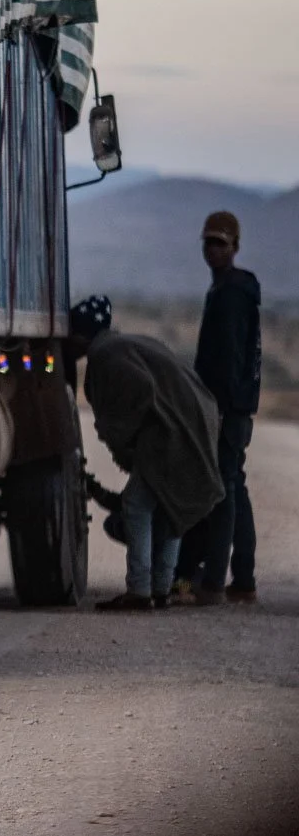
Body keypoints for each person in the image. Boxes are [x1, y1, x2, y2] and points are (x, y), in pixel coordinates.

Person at [69, 297, 224, 611]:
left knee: (137, 506)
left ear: (80, 336)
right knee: (168, 510)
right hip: (192, 428)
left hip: (168, 435)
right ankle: (161, 588)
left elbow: (139, 392)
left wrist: (124, 437)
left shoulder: (105, 354)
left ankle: (140, 590)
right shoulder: (127, 343)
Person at [171, 211, 262, 606]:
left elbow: (229, 359)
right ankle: (242, 579)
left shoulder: (231, 295)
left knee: (223, 490)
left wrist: (219, 408)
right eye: (208, 242)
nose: (213, 250)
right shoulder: (226, 290)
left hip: (227, 408)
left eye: (221, 243)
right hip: (232, 406)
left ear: (235, 247)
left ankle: (212, 585)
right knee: (233, 486)